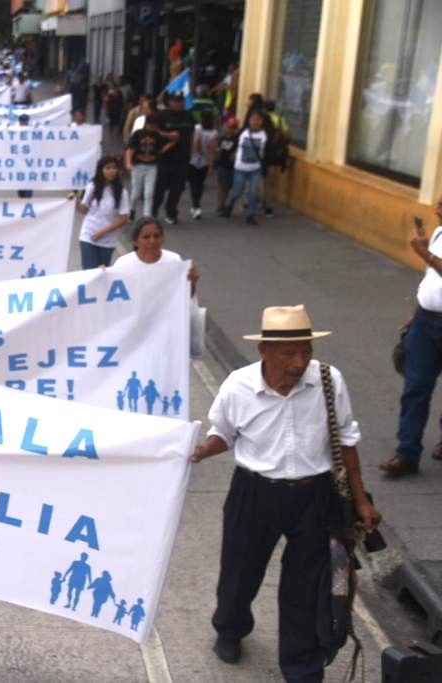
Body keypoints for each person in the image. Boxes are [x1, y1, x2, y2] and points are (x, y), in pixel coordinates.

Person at [190, 304, 381, 681]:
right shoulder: (238, 386)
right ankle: (230, 629)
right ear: (264, 351)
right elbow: (223, 435)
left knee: (307, 586)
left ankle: (301, 665)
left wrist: (360, 499)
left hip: (315, 495)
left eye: (306, 351)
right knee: (239, 573)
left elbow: (346, 439)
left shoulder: (329, 381)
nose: (300, 362)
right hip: (254, 493)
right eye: (289, 353)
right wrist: (196, 451)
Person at [381, 195, 442, 477]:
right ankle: (407, 453)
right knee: (416, 387)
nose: (437, 208)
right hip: (425, 323)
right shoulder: (439, 232)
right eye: (438, 203)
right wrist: (418, 311)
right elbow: (432, 279)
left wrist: (424, 253)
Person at [112, 217, 199, 295]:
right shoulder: (123, 264)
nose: (152, 241)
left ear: (162, 238)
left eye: (156, 236)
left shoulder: (174, 261)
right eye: (146, 237)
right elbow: (115, 299)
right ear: (135, 241)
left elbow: (185, 297)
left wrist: (192, 282)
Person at [71, 156, 129, 268]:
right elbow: (84, 210)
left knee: (101, 272)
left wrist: (103, 232)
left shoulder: (121, 192)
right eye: (108, 168)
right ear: (101, 170)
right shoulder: (92, 187)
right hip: (88, 235)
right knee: (89, 270)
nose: (112, 171)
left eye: (114, 168)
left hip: (107, 239)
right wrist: (75, 200)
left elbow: (123, 218)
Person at [152, 92, 194, 225]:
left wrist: (192, 152)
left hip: (182, 158)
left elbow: (192, 134)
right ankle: (153, 212)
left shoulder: (188, 115)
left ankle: (171, 213)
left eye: (181, 101)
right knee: (160, 187)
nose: (178, 103)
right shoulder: (162, 116)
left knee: (177, 188)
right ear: (170, 102)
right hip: (165, 158)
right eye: (176, 101)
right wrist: (168, 135)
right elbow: (152, 131)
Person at [125, 115, 176, 218]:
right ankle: (131, 208)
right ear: (146, 124)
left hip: (152, 167)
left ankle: (147, 216)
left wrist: (169, 143)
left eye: (154, 125)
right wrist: (128, 163)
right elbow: (130, 150)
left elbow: (171, 139)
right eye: (151, 125)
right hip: (137, 166)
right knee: (136, 193)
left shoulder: (158, 135)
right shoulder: (138, 134)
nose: (152, 127)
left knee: (149, 192)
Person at [224, 111, 267, 225]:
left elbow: (263, 151)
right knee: (237, 191)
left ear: (261, 122)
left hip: (255, 169)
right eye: (253, 119)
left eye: (258, 120)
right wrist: (234, 155)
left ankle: (250, 215)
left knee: (253, 192)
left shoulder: (263, 135)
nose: (255, 122)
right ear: (249, 121)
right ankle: (230, 206)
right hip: (240, 168)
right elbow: (237, 145)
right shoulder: (244, 133)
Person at [187, 109, 219, 220]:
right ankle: (196, 205)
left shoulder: (197, 129)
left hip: (193, 161)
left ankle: (196, 206)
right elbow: (212, 151)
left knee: (193, 184)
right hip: (204, 162)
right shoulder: (214, 133)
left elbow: (194, 147)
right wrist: (211, 166)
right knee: (199, 185)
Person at [213, 117, 239, 217]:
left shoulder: (237, 139)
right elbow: (218, 150)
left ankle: (223, 204)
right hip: (221, 165)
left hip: (231, 167)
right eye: (229, 127)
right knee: (221, 186)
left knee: (227, 187)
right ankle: (220, 205)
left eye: (233, 127)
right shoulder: (222, 138)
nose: (231, 129)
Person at [16, 113, 34, 199]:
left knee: (29, 180)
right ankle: (22, 197)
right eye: (22, 121)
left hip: (29, 160)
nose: (23, 123)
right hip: (18, 160)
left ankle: (28, 198)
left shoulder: (32, 130)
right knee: (20, 182)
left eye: (25, 121)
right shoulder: (14, 130)